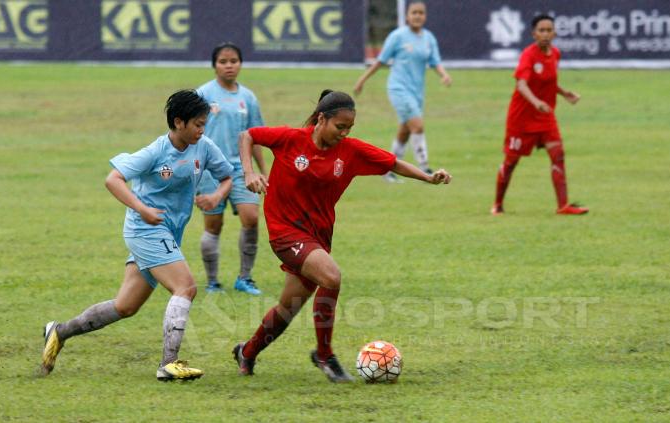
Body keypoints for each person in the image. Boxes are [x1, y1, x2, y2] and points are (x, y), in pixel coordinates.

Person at [231, 90, 451, 382]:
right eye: (340, 126)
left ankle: (247, 351)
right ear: (321, 119)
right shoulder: (291, 139)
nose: (344, 133)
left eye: (349, 128)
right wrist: (249, 172)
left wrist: (427, 176)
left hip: (317, 237)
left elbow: (392, 163)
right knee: (331, 277)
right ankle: (325, 355)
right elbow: (248, 135)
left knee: (290, 305)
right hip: (285, 232)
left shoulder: (350, 151)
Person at [40, 89, 234, 381]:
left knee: (125, 306)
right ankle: (169, 364)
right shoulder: (156, 151)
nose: (202, 129)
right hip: (145, 229)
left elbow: (227, 176)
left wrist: (216, 195)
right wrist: (142, 208)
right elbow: (113, 180)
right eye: (197, 124)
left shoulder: (204, 147)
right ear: (179, 122)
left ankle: (60, 331)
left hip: (166, 232)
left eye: (204, 123)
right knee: (186, 287)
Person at [492, 14, 588, 215]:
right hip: (522, 118)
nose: (545, 34)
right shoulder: (528, 55)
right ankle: (497, 205)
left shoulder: (555, 54)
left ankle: (563, 206)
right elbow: (521, 84)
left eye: (548, 30)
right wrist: (536, 102)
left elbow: (549, 81)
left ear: (554, 33)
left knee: (558, 155)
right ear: (533, 34)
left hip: (545, 116)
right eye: (541, 30)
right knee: (511, 162)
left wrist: (564, 93)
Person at [196, 43, 267, 295]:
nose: (229, 65)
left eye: (234, 61)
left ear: (241, 63)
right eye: (223, 61)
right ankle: (212, 281)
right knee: (213, 225)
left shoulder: (247, 98)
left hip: (242, 169)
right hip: (210, 171)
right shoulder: (203, 94)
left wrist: (262, 170)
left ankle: (245, 278)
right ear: (214, 65)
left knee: (251, 218)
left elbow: (255, 136)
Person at [353, 0, 450, 183]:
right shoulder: (397, 36)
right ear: (407, 16)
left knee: (405, 131)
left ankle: (387, 170)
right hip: (398, 88)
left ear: (425, 16)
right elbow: (380, 61)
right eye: (414, 13)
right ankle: (425, 168)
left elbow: (435, 62)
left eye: (421, 13)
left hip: (417, 92)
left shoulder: (428, 38)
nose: (417, 16)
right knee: (418, 126)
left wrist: (444, 75)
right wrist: (362, 80)